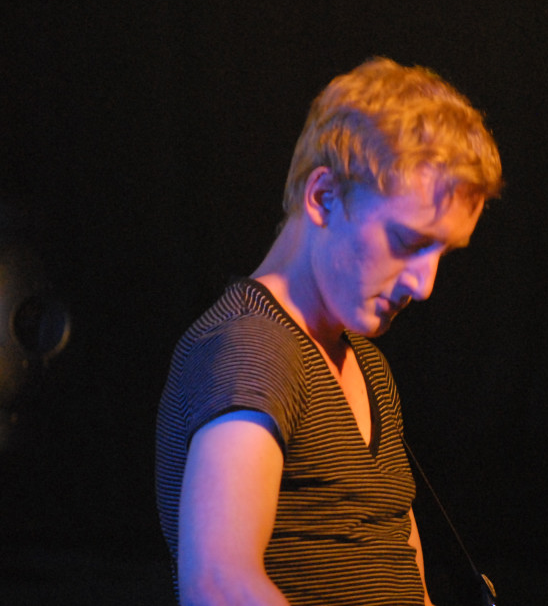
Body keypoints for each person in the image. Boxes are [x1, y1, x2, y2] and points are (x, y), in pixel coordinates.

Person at [155, 57, 502, 606]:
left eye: (443, 253)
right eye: (408, 242)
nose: (425, 284)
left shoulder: (368, 364)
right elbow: (218, 585)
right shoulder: (254, 348)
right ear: (323, 197)